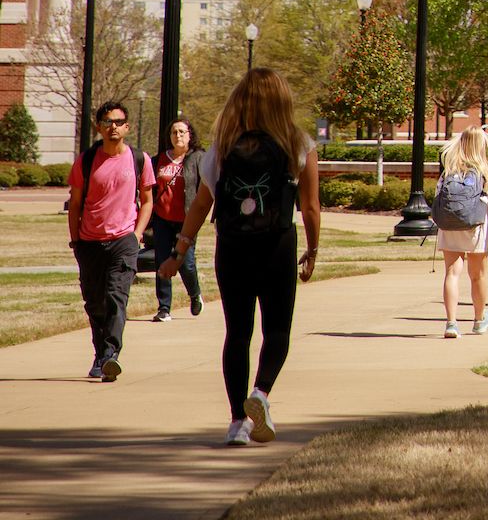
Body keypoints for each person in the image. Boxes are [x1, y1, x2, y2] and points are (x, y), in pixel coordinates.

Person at [165, 69, 320, 447]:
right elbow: (311, 206)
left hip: (232, 246)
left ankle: (237, 422)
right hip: (277, 244)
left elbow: (202, 205)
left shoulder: (221, 147)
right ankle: (261, 394)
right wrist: (312, 250)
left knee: (237, 332)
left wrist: (179, 250)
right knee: (277, 330)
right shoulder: (297, 143)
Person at [65, 98, 153, 382]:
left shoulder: (139, 159)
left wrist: (137, 234)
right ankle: (100, 352)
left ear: (127, 127)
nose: (112, 127)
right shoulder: (87, 161)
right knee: (94, 302)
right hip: (90, 242)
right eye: (107, 122)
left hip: (123, 240)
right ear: (99, 127)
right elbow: (75, 204)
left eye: (118, 122)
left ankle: (111, 355)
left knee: (117, 297)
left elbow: (148, 200)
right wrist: (76, 241)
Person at [431, 125, 488, 338]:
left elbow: (438, 197)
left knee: (451, 273)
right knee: (478, 276)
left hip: (449, 227)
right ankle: (478, 319)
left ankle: (451, 323)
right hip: (477, 227)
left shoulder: (450, 169)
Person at [149, 117, 202, 322]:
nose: (178, 136)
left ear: (190, 135)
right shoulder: (158, 160)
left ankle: (194, 294)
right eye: (174, 132)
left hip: (186, 220)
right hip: (162, 218)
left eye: (182, 132)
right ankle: (164, 307)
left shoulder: (198, 159)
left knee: (185, 263)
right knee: (162, 261)